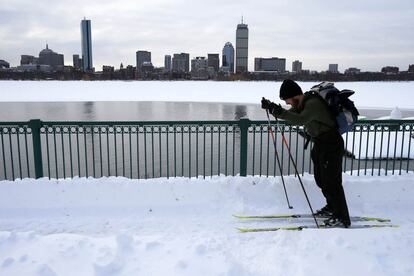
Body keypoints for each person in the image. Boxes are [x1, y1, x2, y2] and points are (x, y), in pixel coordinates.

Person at [261, 79, 351, 228]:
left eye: (287, 100)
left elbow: (300, 119)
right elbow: (290, 114)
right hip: (321, 143)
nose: (288, 103)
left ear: (294, 95)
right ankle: (331, 208)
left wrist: (279, 112)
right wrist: (273, 108)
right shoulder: (303, 104)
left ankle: (342, 217)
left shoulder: (312, 104)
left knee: (332, 182)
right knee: (321, 179)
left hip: (331, 144)